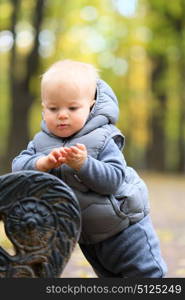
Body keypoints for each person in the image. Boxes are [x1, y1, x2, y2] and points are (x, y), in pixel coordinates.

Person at [12, 59, 167, 277]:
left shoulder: (102, 137)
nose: (62, 114)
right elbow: (17, 169)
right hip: (88, 237)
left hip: (124, 227)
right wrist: (41, 164)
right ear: (43, 108)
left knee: (144, 274)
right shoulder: (40, 143)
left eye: (72, 108)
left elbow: (114, 179)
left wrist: (84, 165)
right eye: (53, 108)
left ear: (91, 105)